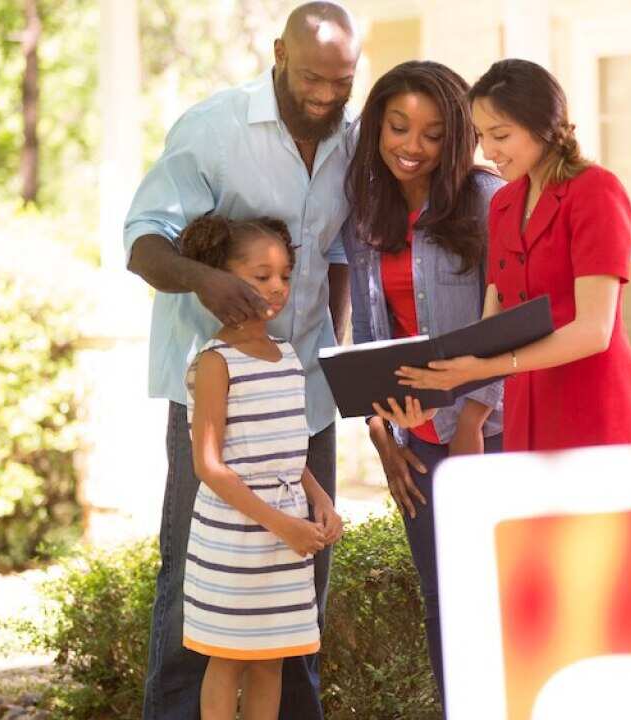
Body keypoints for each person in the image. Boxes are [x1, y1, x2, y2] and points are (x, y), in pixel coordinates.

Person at [121, 3, 360, 716]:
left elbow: (337, 250)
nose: (324, 95)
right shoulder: (214, 128)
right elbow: (144, 242)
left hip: (305, 392)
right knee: (197, 584)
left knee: (299, 575)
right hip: (219, 394)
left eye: (341, 83)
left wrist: (336, 341)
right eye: (313, 77)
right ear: (278, 52)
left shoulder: (349, 141)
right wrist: (206, 281)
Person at [338, 60, 505, 704]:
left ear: (456, 136)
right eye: (399, 127)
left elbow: (509, 320)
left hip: (490, 433)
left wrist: (472, 420)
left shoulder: (488, 200)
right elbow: (373, 332)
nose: (413, 146)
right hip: (417, 440)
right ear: (378, 125)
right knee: (444, 602)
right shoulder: (365, 214)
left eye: (432, 134)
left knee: (497, 596)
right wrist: (383, 436)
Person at [396, 58, 631, 451]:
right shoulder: (502, 204)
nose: (488, 150)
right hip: (526, 413)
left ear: (543, 125)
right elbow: (491, 326)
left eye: (500, 135)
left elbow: (594, 331)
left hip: (594, 410)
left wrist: (487, 369)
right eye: (481, 135)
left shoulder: (596, 192)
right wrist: (438, 391)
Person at [178, 215, 343, 720]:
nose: (277, 287)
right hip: (236, 540)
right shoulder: (215, 361)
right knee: (227, 662)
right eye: (260, 275)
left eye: (285, 276)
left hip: (285, 537)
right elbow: (208, 464)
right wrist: (283, 525)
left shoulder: (289, 356)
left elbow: (290, 452)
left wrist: (319, 500)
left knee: (271, 662)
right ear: (224, 280)